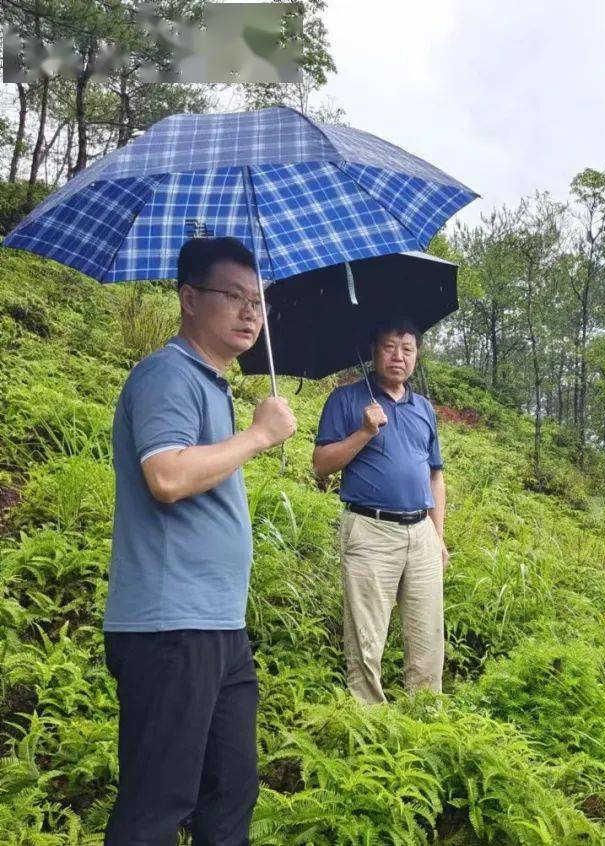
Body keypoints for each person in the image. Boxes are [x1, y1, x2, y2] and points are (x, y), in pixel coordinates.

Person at [104, 236, 297, 845]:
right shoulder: (167, 375)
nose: (250, 313)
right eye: (233, 296)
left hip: (217, 625)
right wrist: (259, 436)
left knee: (229, 794)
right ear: (189, 298)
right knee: (157, 807)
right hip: (169, 626)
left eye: (259, 301)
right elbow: (166, 476)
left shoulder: (211, 384)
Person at [312, 318, 448, 704]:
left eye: (407, 348)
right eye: (390, 346)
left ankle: (424, 724)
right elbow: (321, 464)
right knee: (367, 641)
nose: (398, 356)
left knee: (427, 638)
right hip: (370, 531)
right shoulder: (346, 400)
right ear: (374, 351)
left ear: (417, 355)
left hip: (421, 532)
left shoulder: (423, 408)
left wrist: (438, 537)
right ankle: (369, 731)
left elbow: (436, 476)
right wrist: (364, 432)